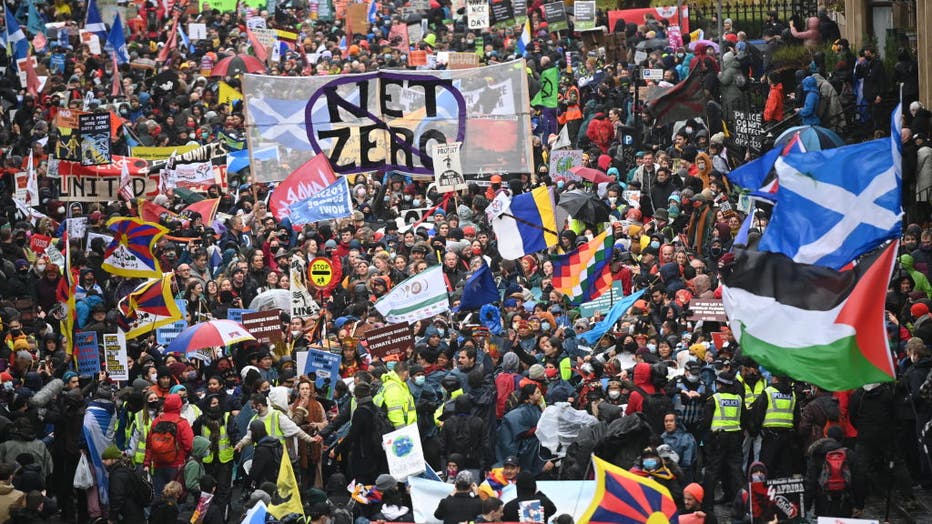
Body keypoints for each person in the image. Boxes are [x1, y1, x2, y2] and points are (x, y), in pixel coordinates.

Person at [702, 371, 747, 510]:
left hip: (718, 438)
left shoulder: (714, 399)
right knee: (736, 471)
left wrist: (707, 441)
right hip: (735, 438)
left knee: (712, 471)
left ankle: (707, 505)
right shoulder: (739, 399)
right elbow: (744, 419)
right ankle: (743, 504)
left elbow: (706, 422)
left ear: (719, 384)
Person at [144, 393, 195, 494]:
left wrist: (147, 463)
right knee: (176, 494)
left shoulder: (156, 421)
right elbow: (189, 445)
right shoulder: (182, 423)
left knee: (159, 494)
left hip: (158, 464)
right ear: (179, 406)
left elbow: (149, 445)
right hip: (176, 465)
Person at [102, 444, 148, 524]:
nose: (103, 461)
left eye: (106, 459)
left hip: (129, 516)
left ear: (113, 459)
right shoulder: (124, 469)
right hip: (136, 513)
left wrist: (112, 518)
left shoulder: (117, 476)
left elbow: (117, 498)